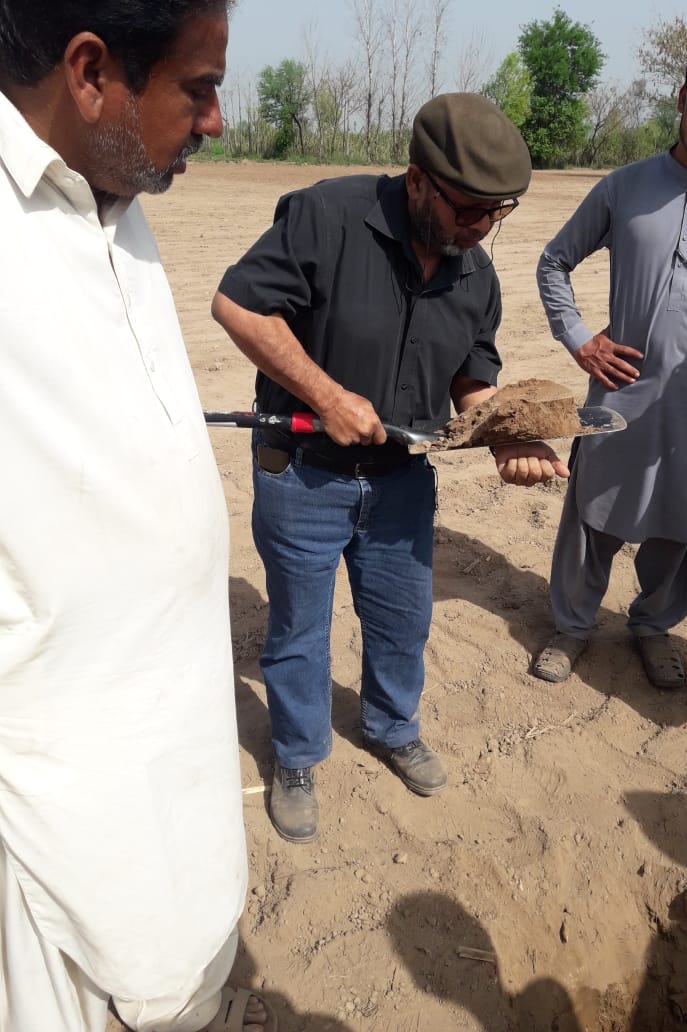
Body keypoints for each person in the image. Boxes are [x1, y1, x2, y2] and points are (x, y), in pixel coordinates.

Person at [0, 3, 275, 1031]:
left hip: (173, 748)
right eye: (199, 89)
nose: (215, 121)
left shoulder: (115, 191)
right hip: (50, 813)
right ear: (89, 73)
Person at [212, 92, 569, 844]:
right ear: (417, 181)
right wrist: (327, 395)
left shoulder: (476, 275)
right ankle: (297, 755)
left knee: (403, 621)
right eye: (469, 209)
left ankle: (391, 727)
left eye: (497, 212)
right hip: (303, 473)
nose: (481, 227)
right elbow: (239, 308)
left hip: (402, 483)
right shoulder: (326, 217)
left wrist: (507, 435)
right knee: (299, 630)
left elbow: (473, 379)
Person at [533, 32, 687, 690]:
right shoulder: (624, 186)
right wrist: (580, 338)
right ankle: (572, 625)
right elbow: (553, 262)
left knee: (683, 515)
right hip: (621, 388)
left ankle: (653, 624)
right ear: (681, 96)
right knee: (593, 507)